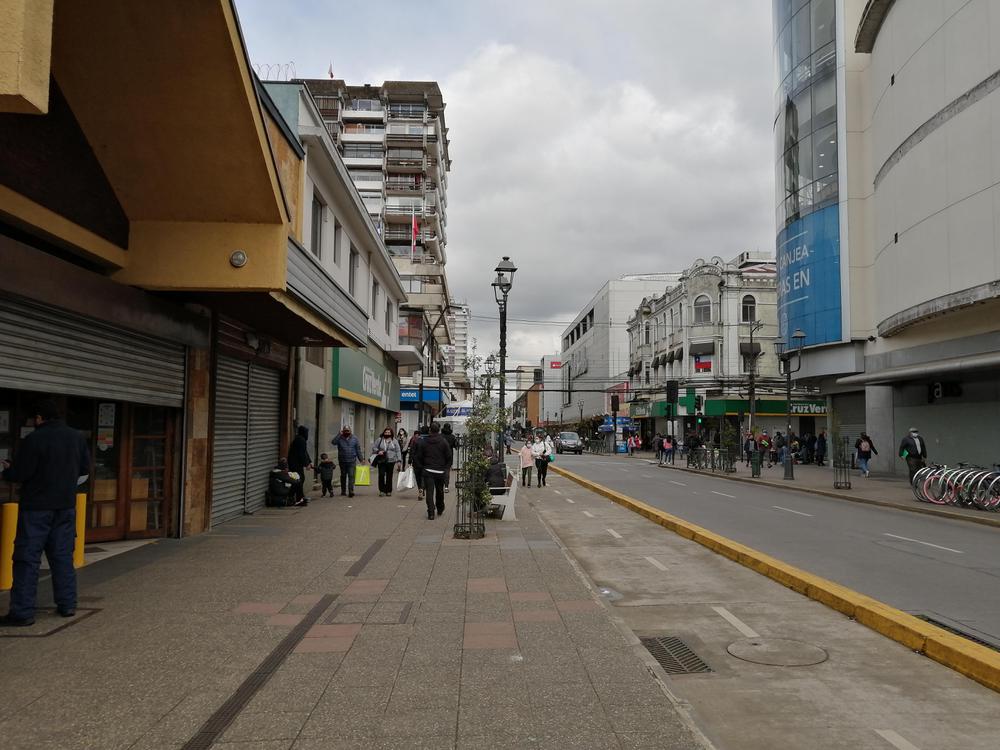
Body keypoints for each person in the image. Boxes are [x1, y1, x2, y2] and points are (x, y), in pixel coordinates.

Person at [1, 399, 90, 627]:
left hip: (36, 509)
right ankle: (67, 604)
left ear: (39, 418)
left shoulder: (34, 439)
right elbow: (84, 470)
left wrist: (8, 471)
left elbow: (22, 473)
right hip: (66, 507)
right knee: (62, 556)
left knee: (27, 559)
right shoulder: (76, 437)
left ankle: (22, 612)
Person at [412, 422, 452, 519]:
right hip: (440, 471)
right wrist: (445, 467)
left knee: (429, 492)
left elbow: (419, 456)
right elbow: (449, 456)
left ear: (430, 430)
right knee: (439, 491)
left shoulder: (424, 441)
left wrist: (422, 467)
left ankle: (431, 512)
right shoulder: (443, 441)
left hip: (428, 470)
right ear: (438, 430)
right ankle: (440, 507)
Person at [331, 425, 364, 498]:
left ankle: (351, 491)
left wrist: (361, 459)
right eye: (345, 431)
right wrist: (339, 434)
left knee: (351, 476)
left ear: (350, 431)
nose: (346, 432)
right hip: (342, 460)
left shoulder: (355, 438)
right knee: (343, 476)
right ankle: (343, 491)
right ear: (343, 431)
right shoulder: (340, 438)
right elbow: (333, 442)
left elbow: (358, 449)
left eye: (348, 431)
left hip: (352, 460)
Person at [372, 427, 402, 496]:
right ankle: (382, 490)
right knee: (381, 475)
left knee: (389, 476)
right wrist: (378, 451)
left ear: (391, 433)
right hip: (381, 460)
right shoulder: (379, 440)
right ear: (383, 433)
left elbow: (398, 451)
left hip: (391, 461)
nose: (387, 434)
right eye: (386, 432)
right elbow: (374, 447)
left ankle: (388, 490)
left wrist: (399, 460)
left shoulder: (394, 441)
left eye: (389, 432)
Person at [287, 425, 312, 506]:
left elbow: (305, 452)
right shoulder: (301, 440)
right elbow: (301, 454)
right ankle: (297, 498)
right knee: (299, 480)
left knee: (300, 479)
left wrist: (309, 462)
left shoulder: (300, 439)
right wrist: (306, 464)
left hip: (296, 463)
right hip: (295, 464)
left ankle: (299, 497)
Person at [441, 423, 458, 493]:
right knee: (447, 471)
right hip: (449, 455)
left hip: (441, 454)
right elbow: (456, 445)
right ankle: (446, 486)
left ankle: (440, 484)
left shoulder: (441, 436)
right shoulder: (452, 436)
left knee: (440, 470)